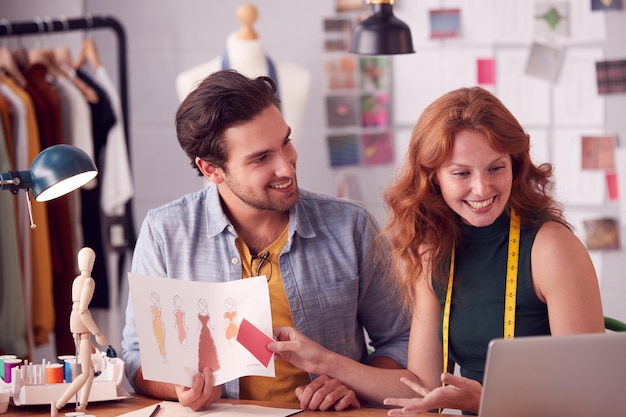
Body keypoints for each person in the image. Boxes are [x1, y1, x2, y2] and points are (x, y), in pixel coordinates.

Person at [268, 86, 606, 415]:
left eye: (496, 167)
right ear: (433, 178)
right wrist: (324, 361)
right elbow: (420, 387)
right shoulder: (435, 248)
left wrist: (483, 401)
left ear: (515, 165)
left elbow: (589, 395)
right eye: (461, 173)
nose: (482, 187)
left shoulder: (550, 248)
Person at [121, 69, 410, 412]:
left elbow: (399, 340)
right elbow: (136, 356)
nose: (287, 167)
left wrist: (354, 386)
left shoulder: (351, 225)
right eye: (261, 158)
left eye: (285, 142)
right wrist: (179, 388)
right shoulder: (164, 233)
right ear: (212, 170)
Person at [51, 247, 108, 417]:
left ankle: (82, 405)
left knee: (89, 370)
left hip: (74, 322)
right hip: (82, 324)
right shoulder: (88, 281)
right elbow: (83, 310)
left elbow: (78, 309)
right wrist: (97, 333)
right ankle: (59, 404)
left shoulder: (76, 280)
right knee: (85, 373)